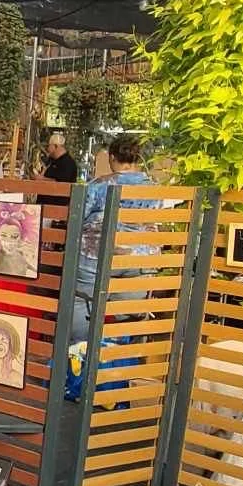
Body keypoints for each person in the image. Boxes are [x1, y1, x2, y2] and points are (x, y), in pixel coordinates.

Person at [72, 133, 154, 345]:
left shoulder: (99, 185)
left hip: (96, 258)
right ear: (137, 159)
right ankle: (119, 360)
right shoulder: (154, 188)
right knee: (127, 311)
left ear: (112, 157)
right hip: (139, 262)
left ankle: (78, 356)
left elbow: (77, 219)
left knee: (81, 302)